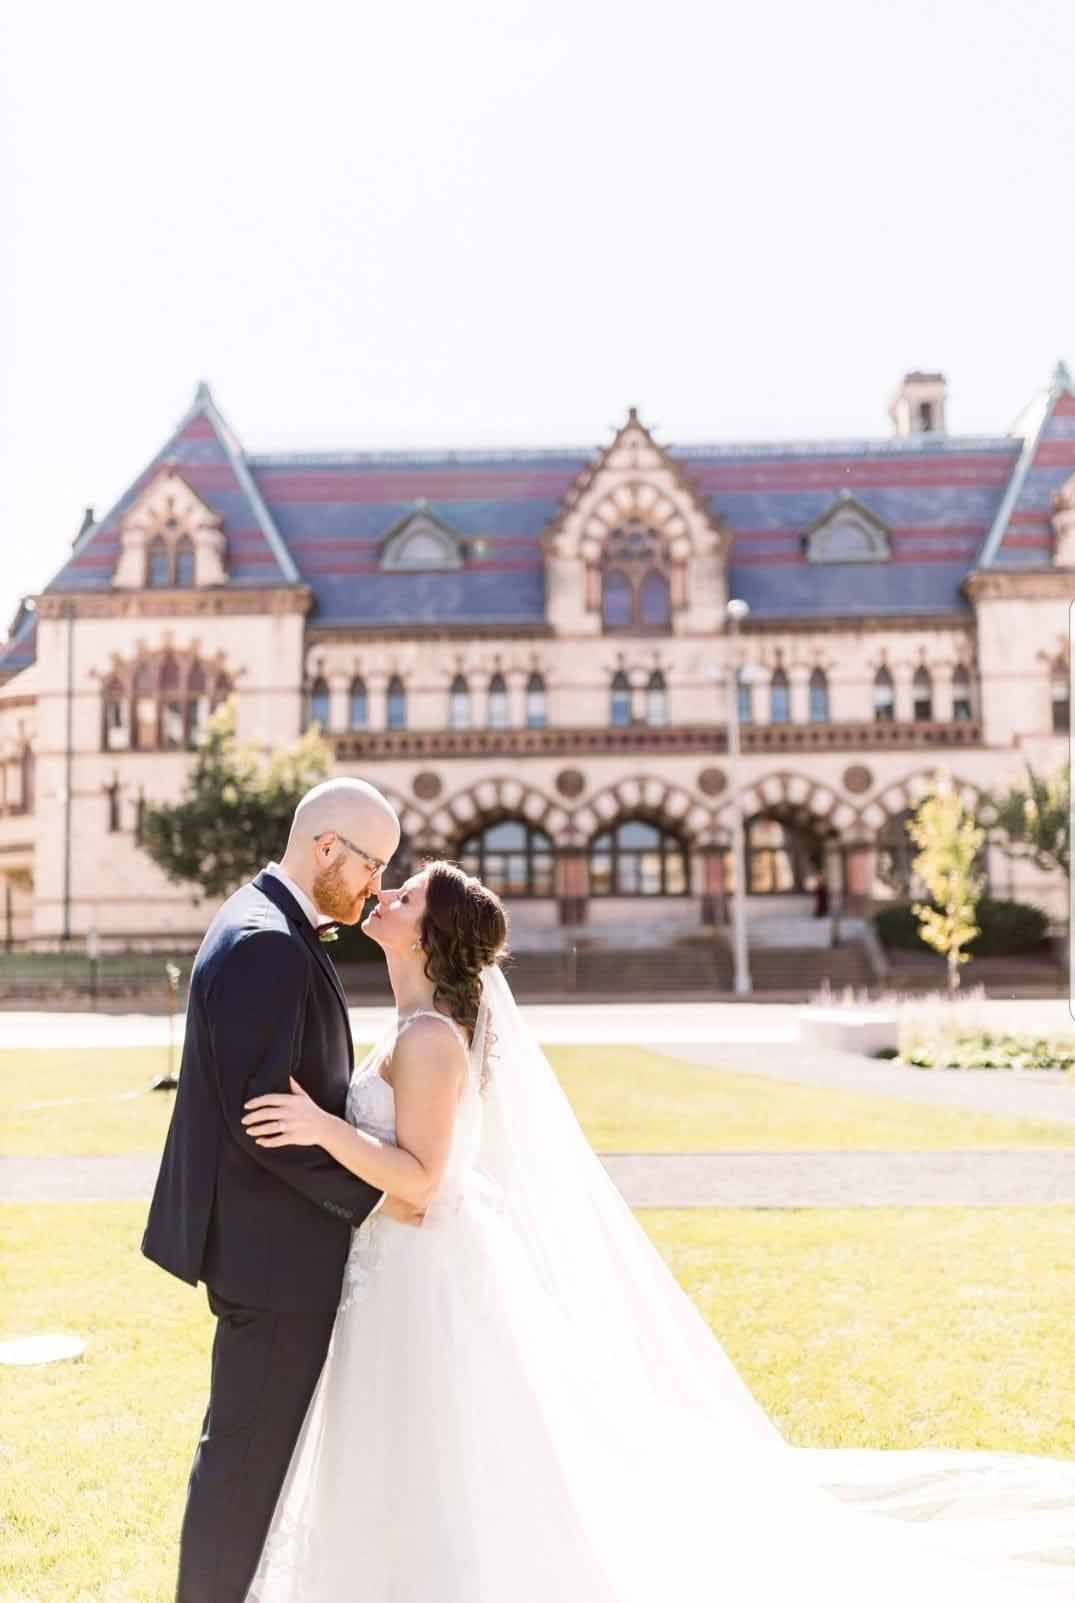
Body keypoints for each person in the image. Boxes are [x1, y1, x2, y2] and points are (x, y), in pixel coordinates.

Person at [242, 860, 1075, 1602]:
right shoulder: (414, 1027)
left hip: (424, 1271)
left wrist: (320, 1128)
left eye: (408, 891)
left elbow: (422, 1184)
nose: (384, 891)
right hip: (402, 1266)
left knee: (441, 1446)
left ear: (432, 933)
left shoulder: (427, 1040)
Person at [142, 776, 403, 1603]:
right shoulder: (268, 942)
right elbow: (267, 1120)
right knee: (243, 1467)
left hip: (268, 1248)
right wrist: (389, 1194)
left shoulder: (269, 921)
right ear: (327, 847)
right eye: (372, 865)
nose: (375, 887)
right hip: (273, 1257)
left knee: (247, 1458)